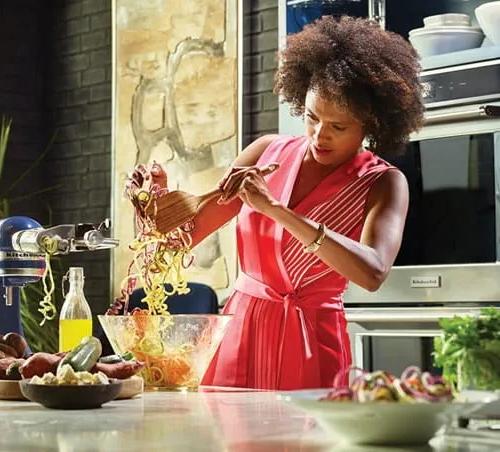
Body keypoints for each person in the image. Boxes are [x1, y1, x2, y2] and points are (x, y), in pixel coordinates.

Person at [130, 15, 424, 390]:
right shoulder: (266, 151)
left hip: (313, 340)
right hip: (240, 329)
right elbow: (179, 238)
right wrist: (153, 197)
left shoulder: (383, 182)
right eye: (313, 117)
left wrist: (277, 211)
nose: (320, 135)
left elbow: (372, 273)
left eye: (338, 127)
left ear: (371, 124)